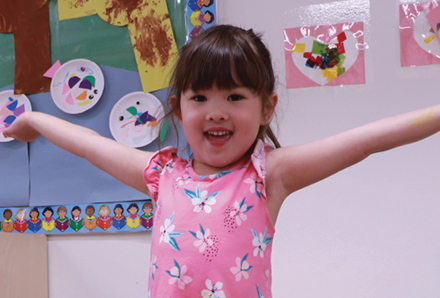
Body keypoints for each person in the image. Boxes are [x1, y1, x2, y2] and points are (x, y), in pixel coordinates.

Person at [3, 24, 440, 297]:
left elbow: (369, 139)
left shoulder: (270, 175)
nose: (216, 111)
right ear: (178, 109)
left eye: (234, 97)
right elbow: (85, 142)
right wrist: (35, 123)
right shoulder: (161, 174)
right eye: (200, 97)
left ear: (266, 108)